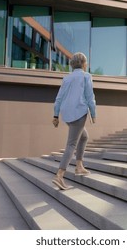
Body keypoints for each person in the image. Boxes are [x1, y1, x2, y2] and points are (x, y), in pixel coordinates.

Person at [52, 52, 96, 190]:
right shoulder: (86, 76)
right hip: (79, 112)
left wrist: (55, 115)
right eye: (86, 62)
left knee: (84, 136)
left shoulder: (67, 78)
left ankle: (79, 166)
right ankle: (59, 175)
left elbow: (59, 98)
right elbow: (90, 97)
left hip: (67, 114)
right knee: (71, 144)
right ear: (83, 64)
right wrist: (93, 114)